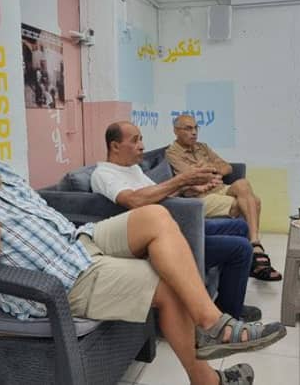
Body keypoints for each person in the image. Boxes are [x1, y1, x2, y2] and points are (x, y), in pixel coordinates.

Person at [0, 100, 287, 385]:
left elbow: (43, 214)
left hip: (77, 241)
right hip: (55, 280)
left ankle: (212, 323)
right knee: (169, 283)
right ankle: (208, 377)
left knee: (155, 216)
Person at [91, 121, 261, 322]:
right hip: (160, 241)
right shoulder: (104, 174)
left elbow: (159, 193)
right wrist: (181, 179)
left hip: (175, 224)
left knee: (240, 226)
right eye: (135, 141)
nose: (142, 146)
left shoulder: (133, 169)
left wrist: (189, 186)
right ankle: (227, 319)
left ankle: (228, 300)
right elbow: (135, 200)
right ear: (115, 146)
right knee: (241, 248)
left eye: (141, 139)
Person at [166, 115, 282, 282]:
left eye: (196, 128)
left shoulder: (202, 147)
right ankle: (255, 255)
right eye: (188, 128)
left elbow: (227, 167)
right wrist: (209, 172)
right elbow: (192, 177)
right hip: (200, 197)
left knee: (243, 184)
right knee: (252, 203)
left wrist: (211, 169)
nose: (194, 132)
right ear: (176, 131)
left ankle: (254, 244)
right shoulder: (172, 153)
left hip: (220, 188)